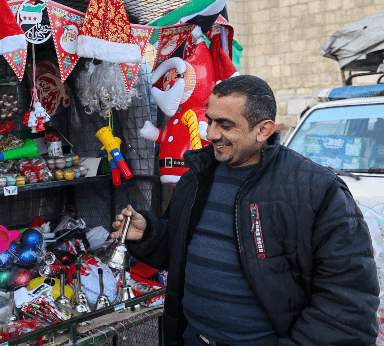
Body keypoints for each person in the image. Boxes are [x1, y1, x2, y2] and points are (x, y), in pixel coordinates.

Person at [111, 75, 379, 345]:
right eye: (210, 120)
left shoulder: (318, 191)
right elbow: (181, 253)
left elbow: (348, 303)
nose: (211, 134)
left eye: (225, 125)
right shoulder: (196, 178)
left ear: (263, 130)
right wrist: (149, 234)